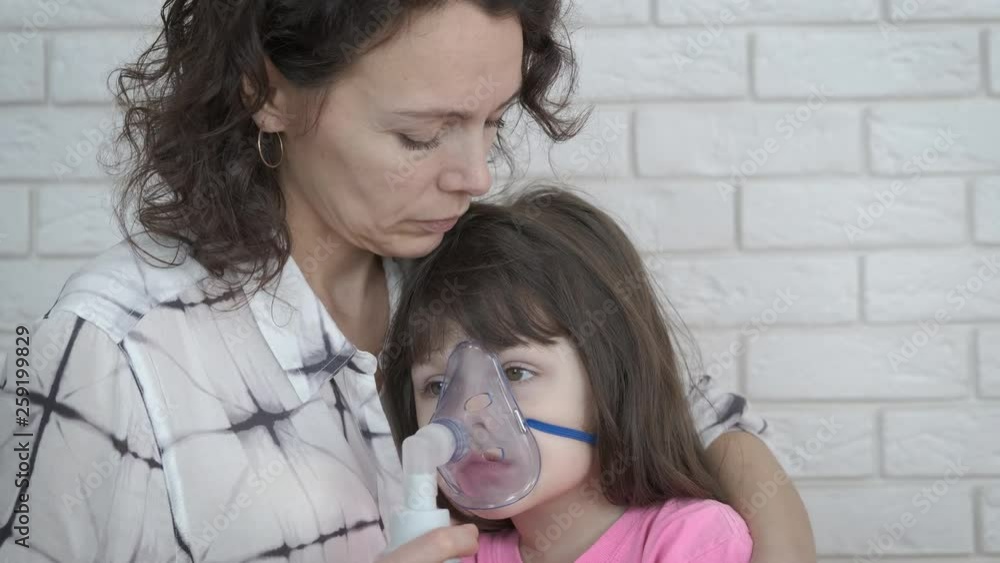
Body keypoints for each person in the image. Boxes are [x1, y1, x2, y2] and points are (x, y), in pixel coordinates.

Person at [0, 1, 814, 562]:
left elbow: (706, 427)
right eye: (422, 135)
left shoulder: (473, 269)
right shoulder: (109, 351)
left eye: (492, 122)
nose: (476, 175)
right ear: (268, 91)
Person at [380, 187, 753, 563]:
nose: (468, 416)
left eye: (515, 372)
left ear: (611, 378)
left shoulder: (693, 540)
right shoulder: (460, 553)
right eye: (438, 386)